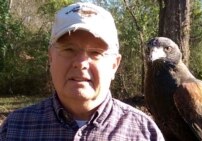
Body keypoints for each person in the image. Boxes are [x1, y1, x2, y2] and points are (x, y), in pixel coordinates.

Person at [0, 1, 165, 140]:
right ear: (50, 58)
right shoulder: (15, 128)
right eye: (69, 50)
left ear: (114, 65)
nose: (81, 63)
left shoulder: (144, 132)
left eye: (96, 53)